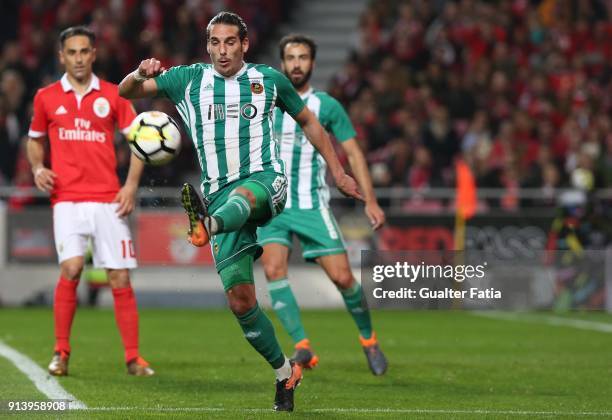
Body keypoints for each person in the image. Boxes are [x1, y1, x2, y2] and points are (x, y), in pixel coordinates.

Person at [118, 11, 362, 411]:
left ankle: (207, 225)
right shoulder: (188, 79)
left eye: (230, 42)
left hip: (266, 181)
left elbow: (310, 123)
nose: (222, 50)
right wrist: (137, 71)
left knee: (245, 198)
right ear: (207, 45)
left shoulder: (267, 79)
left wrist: (337, 170)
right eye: (215, 42)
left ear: (245, 44)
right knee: (241, 302)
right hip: (215, 194)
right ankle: (285, 373)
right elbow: (127, 91)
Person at [27, 26, 153, 377]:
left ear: (94, 54)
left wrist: (130, 186)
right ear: (61, 56)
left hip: (108, 199)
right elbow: (34, 140)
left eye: (85, 51)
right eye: (72, 52)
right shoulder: (46, 97)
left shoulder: (114, 95)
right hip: (66, 198)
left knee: (119, 278)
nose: (79, 58)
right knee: (71, 269)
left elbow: (140, 140)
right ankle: (61, 353)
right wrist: (38, 167)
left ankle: (133, 358)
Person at [257, 34, 387, 375]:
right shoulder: (266, 99)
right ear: (281, 63)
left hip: (312, 204)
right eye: (290, 57)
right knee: (273, 269)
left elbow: (355, 154)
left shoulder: (326, 106)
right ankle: (302, 346)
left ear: (312, 63)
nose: (296, 64)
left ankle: (368, 339)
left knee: (344, 278)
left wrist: (369, 200)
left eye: (302, 57)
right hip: (273, 206)